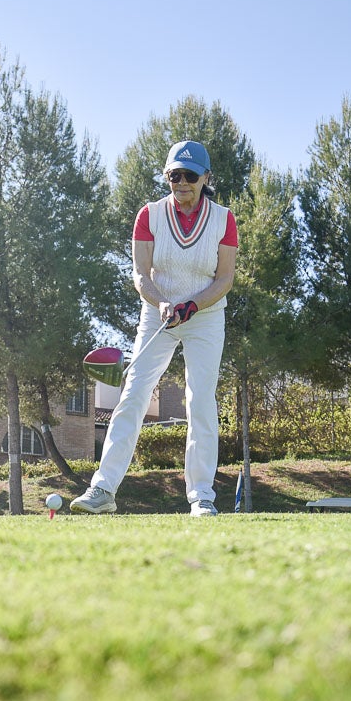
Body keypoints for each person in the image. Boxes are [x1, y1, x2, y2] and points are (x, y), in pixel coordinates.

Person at [72, 140, 238, 517]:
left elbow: (224, 278)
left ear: (205, 178)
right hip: (158, 311)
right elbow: (140, 274)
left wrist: (192, 305)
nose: (181, 182)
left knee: (200, 401)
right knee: (133, 394)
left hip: (206, 316)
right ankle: (103, 489)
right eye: (173, 175)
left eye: (189, 176)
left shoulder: (223, 219)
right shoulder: (149, 214)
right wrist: (163, 303)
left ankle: (202, 498)